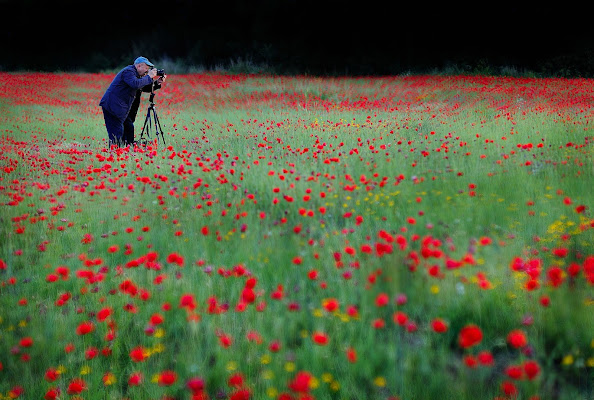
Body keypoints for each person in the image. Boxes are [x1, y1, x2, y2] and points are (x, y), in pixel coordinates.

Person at [99, 56, 166, 147]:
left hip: (120, 107)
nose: (147, 71)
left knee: (129, 127)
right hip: (113, 107)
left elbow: (141, 86)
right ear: (138, 66)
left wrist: (157, 83)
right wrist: (149, 76)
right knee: (116, 133)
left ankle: (128, 149)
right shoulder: (128, 72)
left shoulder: (136, 75)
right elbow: (135, 84)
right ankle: (115, 152)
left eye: (148, 69)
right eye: (146, 68)